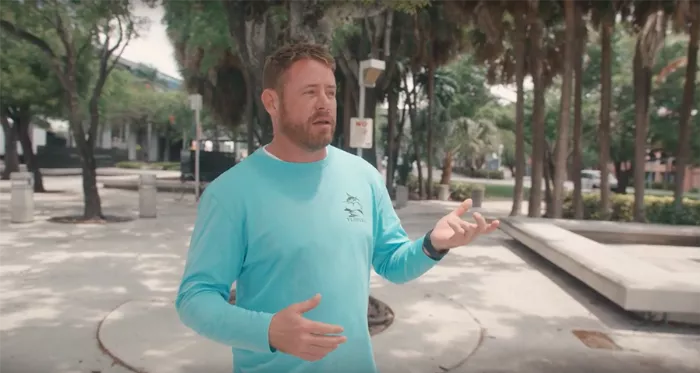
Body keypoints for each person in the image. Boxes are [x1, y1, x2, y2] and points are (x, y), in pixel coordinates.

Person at [175, 42, 500, 373]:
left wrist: (432, 245)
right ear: (272, 102)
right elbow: (195, 299)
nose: (325, 104)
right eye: (310, 92)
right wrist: (268, 330)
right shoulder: (230, 193)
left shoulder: (363, 177)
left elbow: (392, 263)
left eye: (330, 92)